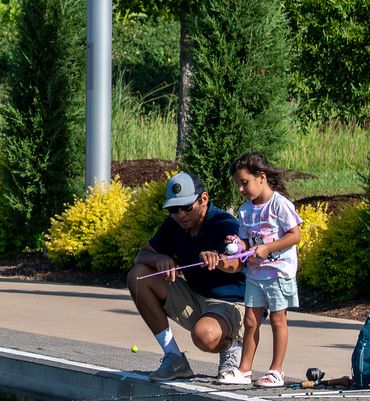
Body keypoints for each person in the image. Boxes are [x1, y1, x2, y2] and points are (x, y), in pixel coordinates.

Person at [127, 171, 246, 382]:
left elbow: (238, 263)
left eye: (187, 207)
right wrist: (159, 259)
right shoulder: (175, 225)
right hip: (195, 296)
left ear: (204, 199)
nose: (180, 214)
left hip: (231, 304)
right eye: (174, 209)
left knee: (203, 337)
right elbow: (141, 256)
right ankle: (174, 357)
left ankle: (232, 346)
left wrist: (218, 259)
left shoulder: (223, 224)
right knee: (138, 276)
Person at [219, 151, 302, 388]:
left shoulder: (280, 204)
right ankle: (244, 370)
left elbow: (295, 235)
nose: (241, 189)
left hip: (278, 273)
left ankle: (276, 371)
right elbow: (247, 242)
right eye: (238, 185)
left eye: (244, 183)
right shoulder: (245, 210)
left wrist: (268, 248)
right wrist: (237, 244)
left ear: (261, 177)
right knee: (251, 321)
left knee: (278, 320)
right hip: (255, 274)